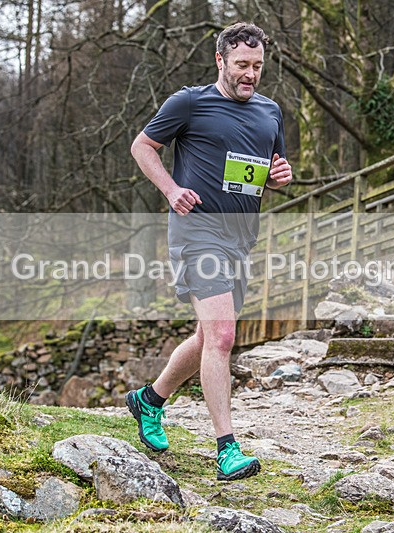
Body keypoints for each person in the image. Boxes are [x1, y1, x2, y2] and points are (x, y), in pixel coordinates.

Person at [127, 22, 292, 481]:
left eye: (257, 66)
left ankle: (149, 400)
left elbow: (270, 170)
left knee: (206, 338)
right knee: (222, 337)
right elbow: (142, 146)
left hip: (241, 236)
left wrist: (280, 177)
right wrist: (171, 188)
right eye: (242, 64)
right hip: (197, 232)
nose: (250, 74)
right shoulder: (189, 102)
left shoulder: (270, 112)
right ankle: (227, 447)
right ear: (220, 60)